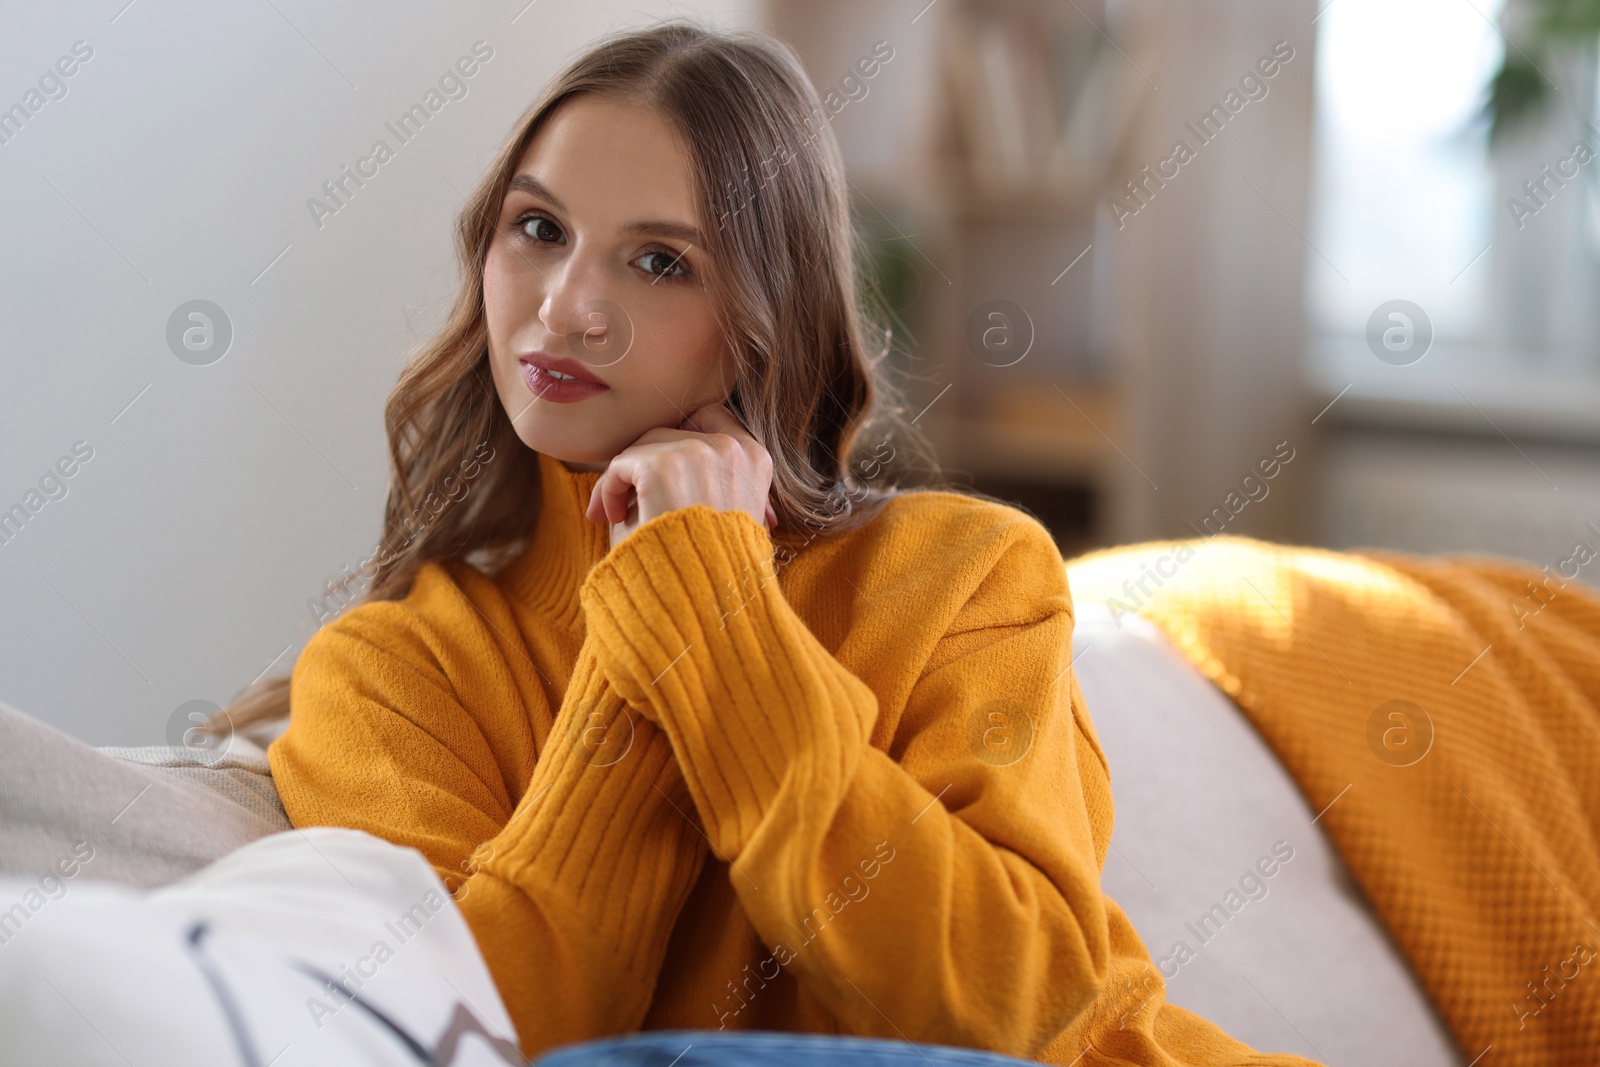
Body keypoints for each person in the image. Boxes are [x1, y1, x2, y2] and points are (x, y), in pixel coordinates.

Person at [247, 19, 1323, 1067]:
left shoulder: (963, 572)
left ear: (765, 315)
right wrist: (671, 603)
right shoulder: (390, 673)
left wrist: (710, 613)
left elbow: (1015, 1005)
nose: (569, 306)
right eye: (538, 228)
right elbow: (494, 1028)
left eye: (660, 262)